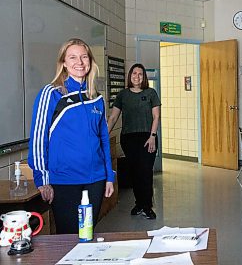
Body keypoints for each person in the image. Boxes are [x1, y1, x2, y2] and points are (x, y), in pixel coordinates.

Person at [27, 38, 115, 234]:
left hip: (95, 179)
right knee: (68, 238)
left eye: (84, 57)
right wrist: (42, 179)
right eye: (73, 57)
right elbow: (38, 138)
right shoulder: (51, 93)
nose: (80, 62)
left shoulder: (96, 98)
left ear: (90, 61)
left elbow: (103, 140)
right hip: (64, 180)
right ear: (64, 63)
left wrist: (109, 175)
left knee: (88, 234)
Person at [107, 63, 160, 219]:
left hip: (147, 137)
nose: (137, 76)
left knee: (145, 172)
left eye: (140, 74)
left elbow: (156, 116)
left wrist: (152, 136)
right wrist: (103, 137)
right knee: (135, 172)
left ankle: (147, 206)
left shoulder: (151, 93)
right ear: (130, 76)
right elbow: (113, 117)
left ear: (144, 77)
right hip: (129, 138)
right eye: (134, 74)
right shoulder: (123, 95)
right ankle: (139, 204)